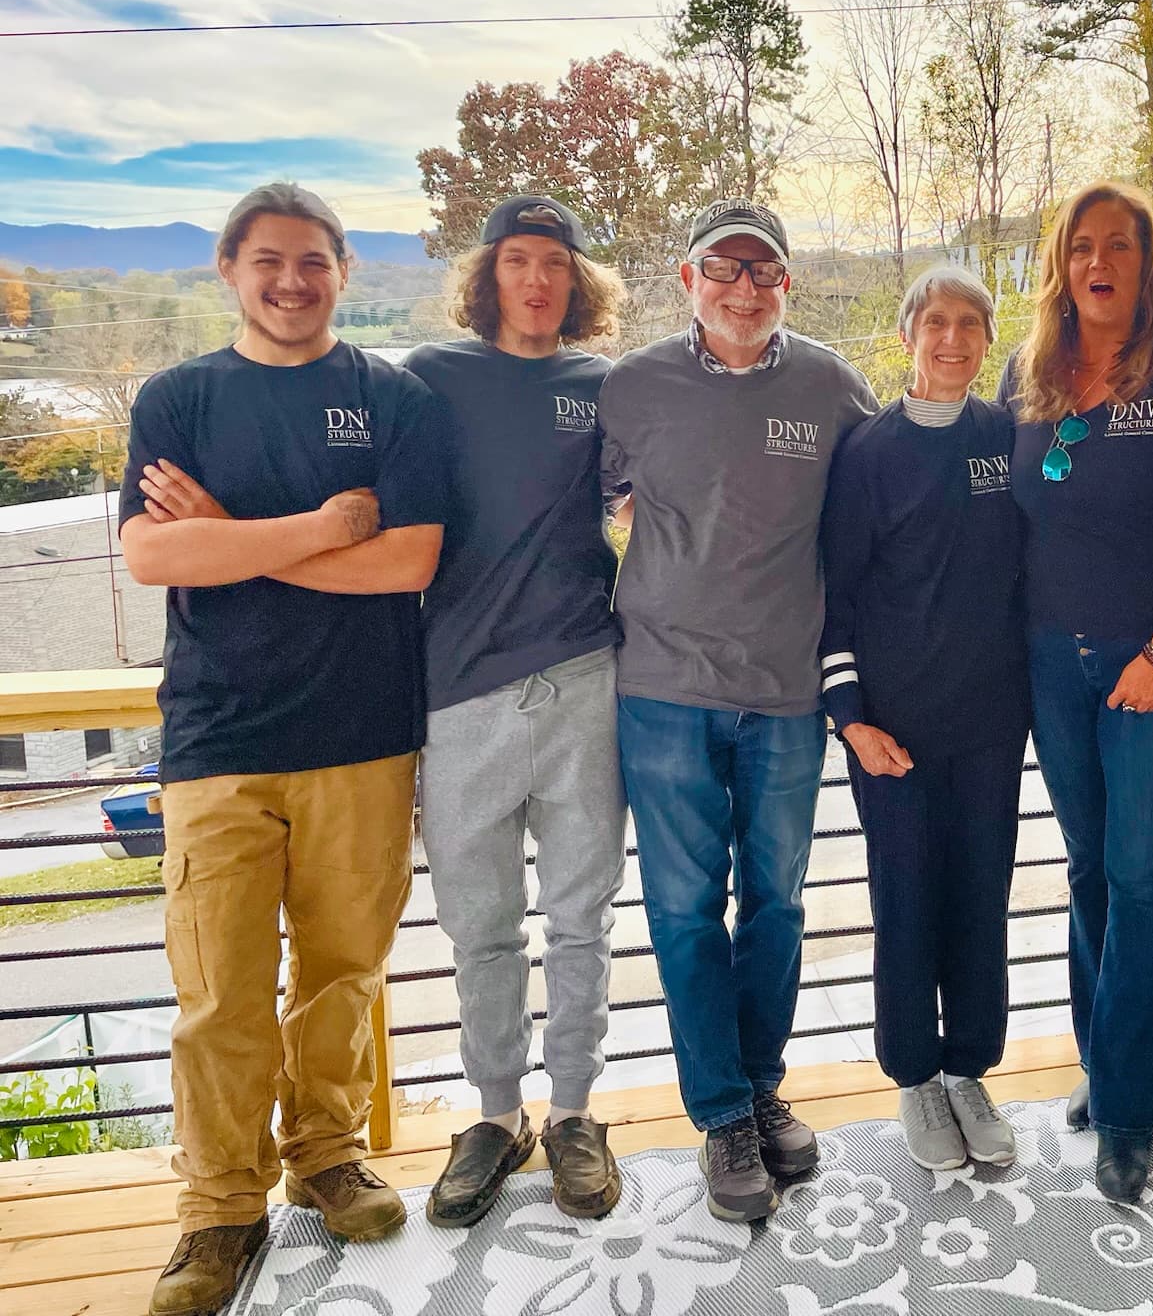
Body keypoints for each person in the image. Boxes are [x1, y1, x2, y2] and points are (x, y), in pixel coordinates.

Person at [118, 184, 449, 1316]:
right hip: (216, 737)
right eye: (269, 261)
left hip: (363, 733)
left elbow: (407, 562)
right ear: (229, 269)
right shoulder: (178, 397)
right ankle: (216, 1210)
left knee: (344, 973)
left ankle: (326, 1153)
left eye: (314, 261)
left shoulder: (390, 398)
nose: (292, 281)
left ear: (344, 272)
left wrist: (226, 534)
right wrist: (313, 531)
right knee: (218, 993)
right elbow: (153, 561)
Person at [598, 198, 876, 1222]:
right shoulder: (630, 388)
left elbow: (879, 514)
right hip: (661, 691)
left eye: (765, 272)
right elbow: (579, 510)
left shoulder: (831, 384)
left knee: (778, 904)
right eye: (725, 269)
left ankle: (760, 1090)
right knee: (680, 912)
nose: (745, 288)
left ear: (786, 285)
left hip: (786, 693)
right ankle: (718, 1114)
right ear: (688, 280)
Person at [999, 180, 1153, 1205]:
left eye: (1119, 247)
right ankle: (1107, 1064)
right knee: (1088, 871)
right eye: (1080, 248)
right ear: (1060, 266)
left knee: (1142, 879)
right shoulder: (1037, 376)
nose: (1098, 263)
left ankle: (1129, 1112)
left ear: (1148, 265)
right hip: (1050, 663)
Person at [402, 196, 632, 1227]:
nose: (538, 280)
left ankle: (575, 1111)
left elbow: (657, 496)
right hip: (459, 698)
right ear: (488, 275)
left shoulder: (606, 388)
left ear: (578, 284)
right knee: (480, 927)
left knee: (581, 917)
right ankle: (496, 1116)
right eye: (518, 261)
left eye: (555, 265)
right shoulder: (427, 380)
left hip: (585, 680)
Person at [820, 266, 1028, 1173]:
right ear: (906, 336)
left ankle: (971, 1071)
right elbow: (836, 598)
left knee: (981, 894)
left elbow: (1055, 532)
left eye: (969, 326)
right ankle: (914, 1077)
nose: (952, 340)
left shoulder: (1010, 438)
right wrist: (850, 719)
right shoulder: (866, 452)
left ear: (988, 340)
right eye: (935, 323)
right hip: (891, 732)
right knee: (904, 900)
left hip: (990, 722)